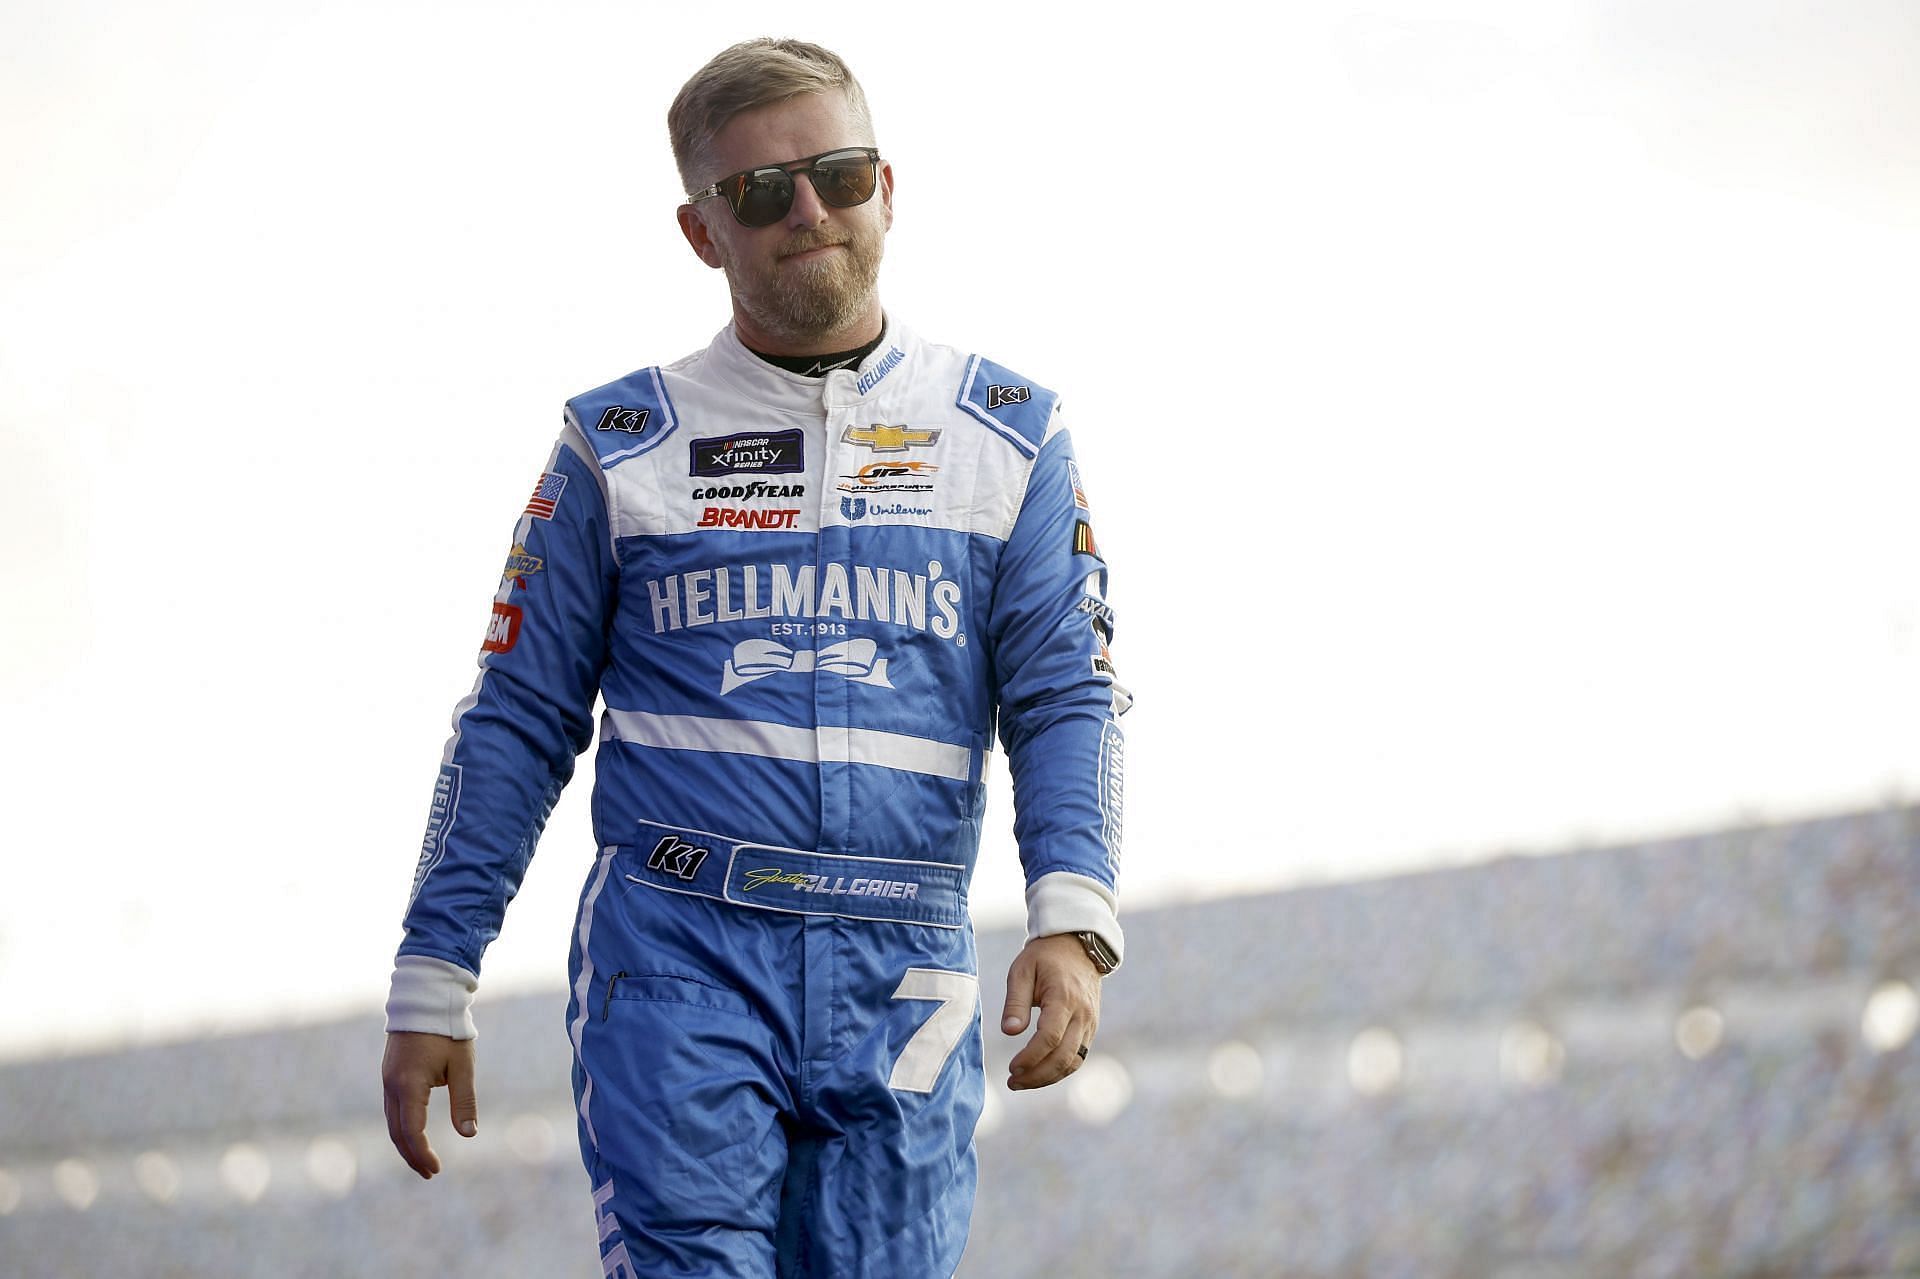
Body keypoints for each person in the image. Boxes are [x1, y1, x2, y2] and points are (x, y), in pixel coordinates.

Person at [379, 37, 1130, 1278]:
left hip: (906, 960)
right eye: (760, 193)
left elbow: (1068, 693)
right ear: (701, 230)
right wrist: (432, 971)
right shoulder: (619, 445)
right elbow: (514, 718)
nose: (809, 213)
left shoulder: (1009, 434)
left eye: (837, 174)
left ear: (890, 184)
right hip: (680, 955)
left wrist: (1075, 914)